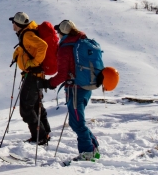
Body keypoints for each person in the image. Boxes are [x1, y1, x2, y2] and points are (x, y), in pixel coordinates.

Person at [46, 20, 100, 161]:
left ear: (63, 32)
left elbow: (63, 74)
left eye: (59, 32)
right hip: (86, 86)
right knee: (76, 121)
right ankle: (93, 146)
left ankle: (87, 152)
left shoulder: (66, 48)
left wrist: (50, 83)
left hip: (75, 88)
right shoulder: (82, 42)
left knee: (77, 122)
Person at [9, 11, 51, 145]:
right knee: (36, 105)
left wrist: (34, 63)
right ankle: (45, 133)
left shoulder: (27, 35)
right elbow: (29, 49)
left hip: (33, 76)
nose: (12, 25)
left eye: (13, 23)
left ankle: (39, 136)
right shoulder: (27, 33)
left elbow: (42, 46)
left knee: (26, 108)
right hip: (36, 75)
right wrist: (18, 52)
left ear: (18, 24)